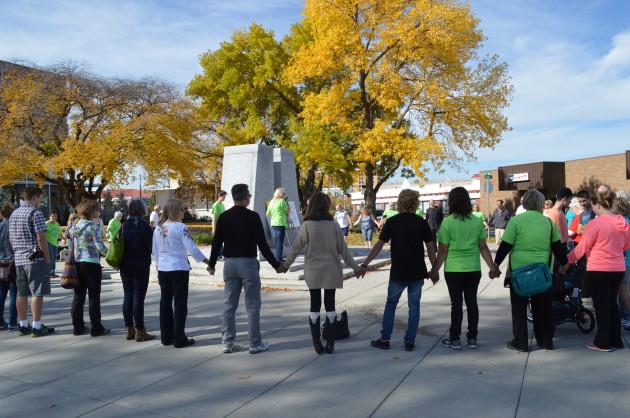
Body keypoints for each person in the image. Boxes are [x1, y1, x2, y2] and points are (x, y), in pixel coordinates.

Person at [280, 193, 363, 354]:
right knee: (330, 304)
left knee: (314, 304)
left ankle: (317, 343)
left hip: (313, 270)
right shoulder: (334, 225)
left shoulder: (307, 225)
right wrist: (357, 268)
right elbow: (344, 251)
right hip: (331, 269)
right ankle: (330, 343)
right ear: (326, 206)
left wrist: (285, 265)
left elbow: (296, 248)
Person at [208, 184, 282, 354]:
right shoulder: (253, 217)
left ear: (234, 197)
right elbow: (262, 245)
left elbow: (216, 243)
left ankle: (227, 342)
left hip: (230, 264)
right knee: (252, 305)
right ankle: (255, 343)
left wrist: (211, 264)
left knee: (229, 304)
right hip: (248, 263)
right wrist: (277, 265)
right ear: (246, 198)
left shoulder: (224, 217)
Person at [361, 189, 437, 352]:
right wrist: (434, 269)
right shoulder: (421, 222)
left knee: (391, 304)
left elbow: (379, 245)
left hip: (399, 271)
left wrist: (365, 264)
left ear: (400, 202)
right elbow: (431, 248)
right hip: (417, 271)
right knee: (414, 306)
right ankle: (409, 341)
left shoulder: (393, 222)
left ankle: (385, 339)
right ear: (415, 203)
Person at [492, 189, 568, 352]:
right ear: (541, 204)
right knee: (543, 309)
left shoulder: (516, 221)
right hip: (542, 272)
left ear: (524, 203)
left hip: (519, 272)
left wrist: (496, 265)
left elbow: (505, 246)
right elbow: (557, 247)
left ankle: (520, 342)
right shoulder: (548, 222)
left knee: (519, 308)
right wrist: (565, 263)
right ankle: (546, 341)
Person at [430, 187, 498, 350]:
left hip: (453, 269)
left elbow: (443, 250)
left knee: (456, 304)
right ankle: (472, 338)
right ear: (468, 201)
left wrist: (435, 271)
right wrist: (492, 267)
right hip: (473, 269)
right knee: (472, 302)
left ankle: (454, 339)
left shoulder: (447, 222)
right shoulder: (476, 221)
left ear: (451, 202)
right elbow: (483, 248)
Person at [564, 190, 630, 351]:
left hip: (599, 268)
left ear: (598, 205)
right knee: (612, 305)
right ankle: (616, 340)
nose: (592, 209)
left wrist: (567, 261)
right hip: (618, 268)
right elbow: (626, 246)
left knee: (601, 306)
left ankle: (602, 341)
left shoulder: (596, 223)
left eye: (593, 205)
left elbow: (582, 248)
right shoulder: (623, 222)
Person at [153, 198, 210, 348]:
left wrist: (158, 264)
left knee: (165, 302)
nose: (184, 212)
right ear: (175, 211)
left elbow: (155, 250)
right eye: (182, 209)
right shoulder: (180, 227)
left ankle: (166, 337)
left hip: (163, 268)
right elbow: (192, 248)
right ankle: (179, 337)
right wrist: (207, 262)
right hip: (178, 268)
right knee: (179, 304)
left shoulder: (158, 227)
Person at [9, 186, 54, 337]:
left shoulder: (14, 213)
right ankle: (37, 325)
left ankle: (22, 324)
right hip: (35, 258)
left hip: (19, 258)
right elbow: (41, 238)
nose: (40, 201)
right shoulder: (36, 213)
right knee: (37, 292)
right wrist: (47, 258)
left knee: (21, 292)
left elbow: (11, 238)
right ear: (35, 197)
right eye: (40, 198)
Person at [68, 199, 110, 337]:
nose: (98, 212)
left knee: (78, 296)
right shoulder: (93, 226)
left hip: (77, 263)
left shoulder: (75, 225)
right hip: (91, 263)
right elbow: (100, 246)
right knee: (93, 297)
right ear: (91, 211)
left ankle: (77, 327)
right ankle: (96, 327)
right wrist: (112, 256)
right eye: (97, 209)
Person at [120, 199, 155, 342]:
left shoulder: (124, 225)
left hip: (125, 264)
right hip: (140, 264)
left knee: (128, 296)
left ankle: (129, 329)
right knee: (138, 298)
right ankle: (140, 330)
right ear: (142, 209)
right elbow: (152, 246)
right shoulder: (144, 226)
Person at [611, 191, 630, 333]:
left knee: (623, 293)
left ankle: (627, 317)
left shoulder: (620, 222)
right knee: (623, 292)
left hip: (625, 261)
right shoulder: (627, 220)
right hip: (626, 260)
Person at [0, 202, 18, 330]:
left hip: (0, 261)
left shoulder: (0, 226)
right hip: (12, 262)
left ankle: (1, 321)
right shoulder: (13, 227)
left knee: (1, 294)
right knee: (13, 293)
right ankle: (13, 321)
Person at [266, 187, 290, 262]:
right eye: (283, 193)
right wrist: (286, 203)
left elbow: (267, 213)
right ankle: (279, 259)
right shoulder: (282, 201)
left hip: (273, 223)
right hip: (280, 223)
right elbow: (288, 211)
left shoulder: (272, 201)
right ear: (280, 194)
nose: (284, 194)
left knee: (277, 241)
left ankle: (278, 257)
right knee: (280, 242)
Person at [44, 212, 63, 278]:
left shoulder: (57, 223)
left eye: (55, 216)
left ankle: (53, 272)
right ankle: (50, 273)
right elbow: (42, 233)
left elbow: (60, 233)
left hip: (55, 243)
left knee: (54, 258)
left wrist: (64, 238)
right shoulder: (46, 224)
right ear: (49, 216)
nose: (54, 217)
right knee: (51, 257)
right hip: (48, 242)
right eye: (52, 216)